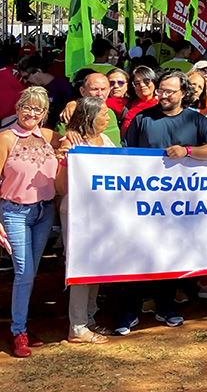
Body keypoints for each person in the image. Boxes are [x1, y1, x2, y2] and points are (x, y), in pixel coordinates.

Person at [117, 71, 207, 334]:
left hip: (179, 204)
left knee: (170, 254)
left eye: (168, 91)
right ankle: (130, 310)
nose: (162, 95)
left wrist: (186, 151)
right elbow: (125, 155)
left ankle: (165, 305)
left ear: (183, 93)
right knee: (137, 253)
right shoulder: (142, 118)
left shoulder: (196, 120)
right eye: (160, 90)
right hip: (144, 202)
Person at [0, 87, 61, 357]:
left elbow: (78, 141)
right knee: (24, 273)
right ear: (17, 108)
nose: (31, 113)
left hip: (44, 211)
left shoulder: (49, 136)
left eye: (38, 109)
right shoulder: (5, 138)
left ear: (44, 114)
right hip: (14, 211)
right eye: (27, 106)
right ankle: (18, 331)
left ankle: (22, 324)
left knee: (30, 273)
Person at [55, 97, 113, 345]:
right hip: (78, 212)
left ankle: (89, 319)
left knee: (97, 265)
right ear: (89, 117)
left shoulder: (106, 140)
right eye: (104, 113)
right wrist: (64, 159)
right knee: (81, 267)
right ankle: (77, 326)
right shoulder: (72, 141)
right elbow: (59, 186)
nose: (109, 118)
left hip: (103, 212)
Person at [57, 72, 121, 146]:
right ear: (82, 91)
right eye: (95, 89)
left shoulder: (111, 113)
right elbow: (60, 142)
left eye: (103, 89)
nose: (99, 94)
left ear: (109, 91)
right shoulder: (71, 113)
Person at [17, 54, 73, 128]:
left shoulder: (62, 86)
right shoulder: (32, 89)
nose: (25, 81)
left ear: (38, 71)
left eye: (26, 77)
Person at [119, 66, 158, 133]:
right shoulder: (125, 104)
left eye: (146, 81)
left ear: (154, 82)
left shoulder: (163, 105)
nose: (142, 85)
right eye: (137, 83)